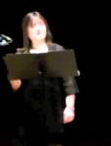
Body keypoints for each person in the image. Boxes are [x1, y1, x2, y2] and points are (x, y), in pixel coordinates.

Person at [9, 11, 79, 146]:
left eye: (41, 24)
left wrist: (70, 108)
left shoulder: (58, 50)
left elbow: (69, 83)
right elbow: (16, 87)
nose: (38, 28)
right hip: (28, 112)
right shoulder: (20, 54)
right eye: (33, 26)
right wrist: (13, 78)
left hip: (54, 109)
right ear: (26, 31)